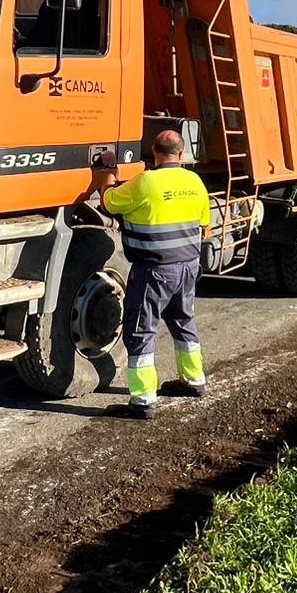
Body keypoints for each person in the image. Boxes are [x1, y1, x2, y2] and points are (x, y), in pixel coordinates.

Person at [92, 129, 212, 419]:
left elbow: (108, 202)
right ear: (181, 154)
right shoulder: (195, 182)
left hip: (155, 270)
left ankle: (144, 399)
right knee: (183, 321)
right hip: (188, 267)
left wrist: (106, 174)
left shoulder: (145, 182)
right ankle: (194, 380)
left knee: (141, 329)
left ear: (154, 153)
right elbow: (204, 223)